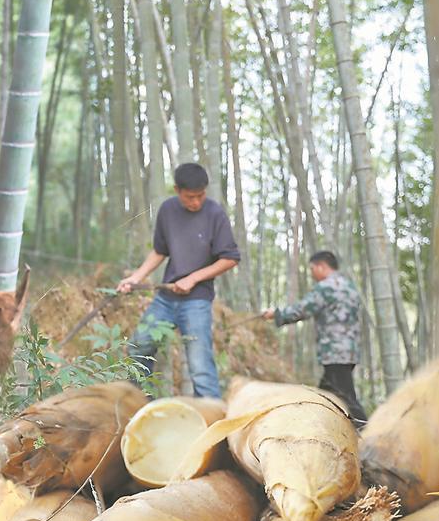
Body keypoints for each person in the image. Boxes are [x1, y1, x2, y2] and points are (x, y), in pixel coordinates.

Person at [116, 163, 240, 398]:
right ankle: (140, 407)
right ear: (177, 190)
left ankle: (212, 425)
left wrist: (193, 278)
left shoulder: (215, 213)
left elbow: (230, 258)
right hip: (165, 298)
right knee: (139, 346)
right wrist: (135, 278)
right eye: (190, 197)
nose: (196, 202)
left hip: (197, 301)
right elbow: (159, 251)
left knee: (200, 365)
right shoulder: (168, 210)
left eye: (201, 196)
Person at [263, 251, 368, 425]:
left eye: (312, 268)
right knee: (325, 393)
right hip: (349, 350)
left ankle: (370, 435)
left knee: (346, 398)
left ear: (322, 266)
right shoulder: (349, 286)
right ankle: (315, 427)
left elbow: (303, 309)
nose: (311, 273)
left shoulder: (326, 287)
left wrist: (276, 314)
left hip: (335, 350)